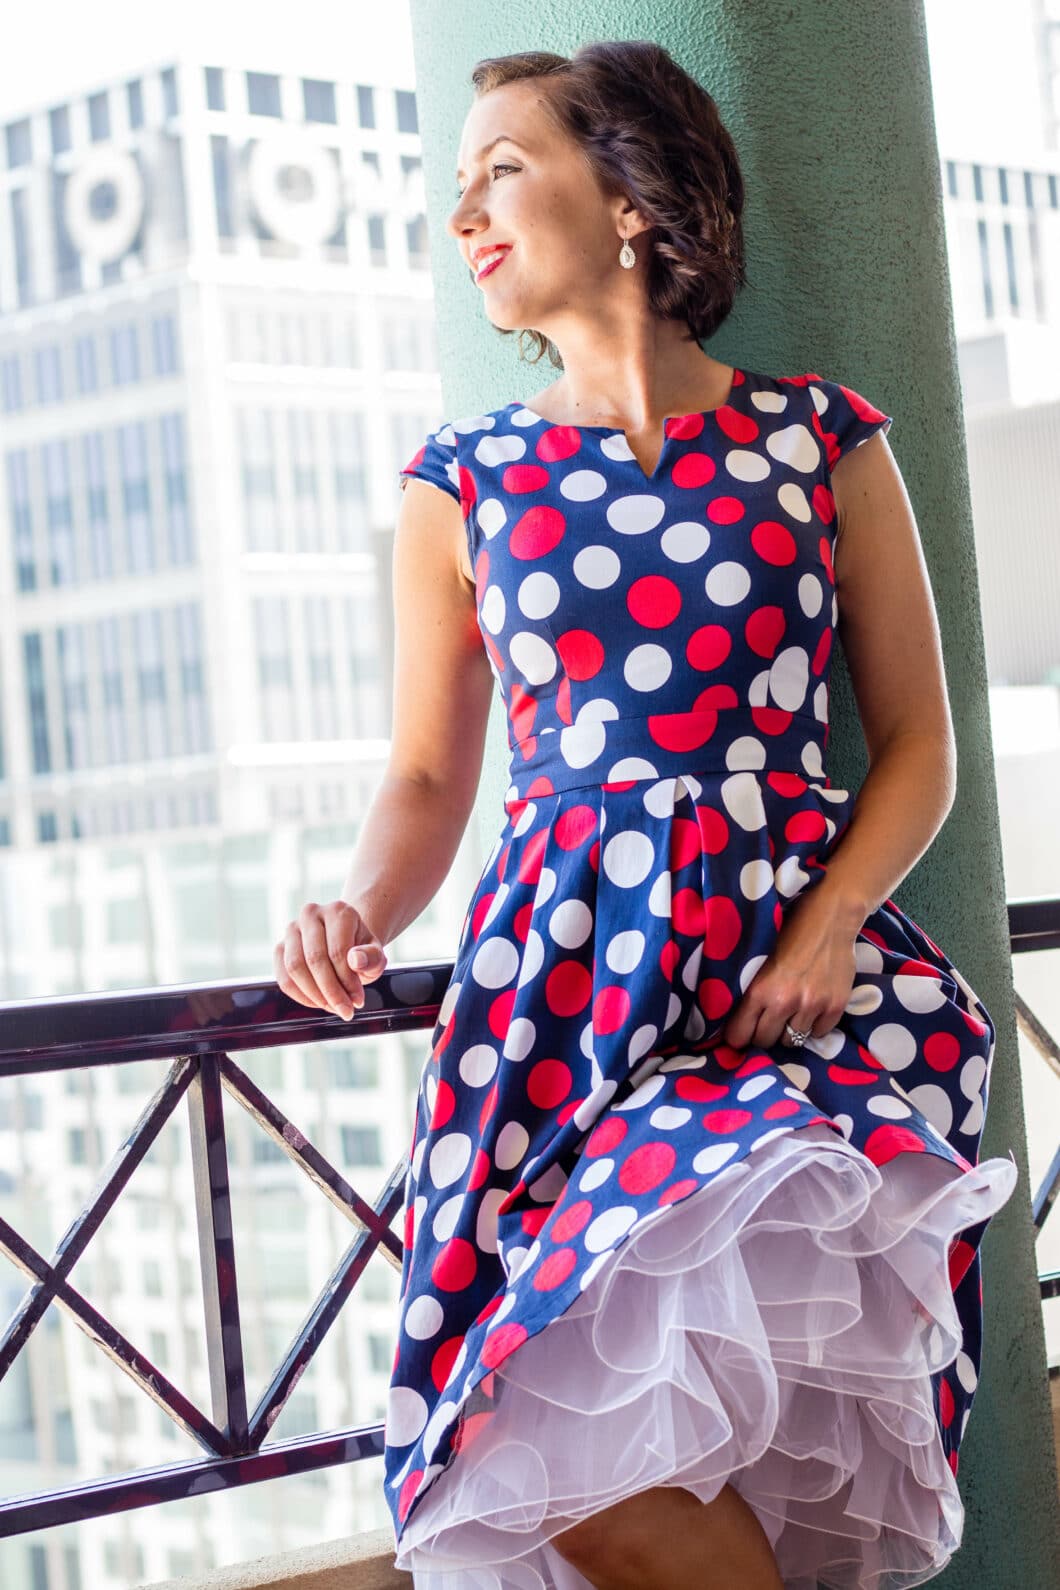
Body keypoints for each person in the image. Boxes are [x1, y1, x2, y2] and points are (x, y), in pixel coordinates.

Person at [274, 38, 1018, 1590]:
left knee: (696, 1400)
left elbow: (920, 742)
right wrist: (358, 907)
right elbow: (425, 775)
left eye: (502, 168)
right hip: (560, 999)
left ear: (627, 193)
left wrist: (824, 931)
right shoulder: (463, 482)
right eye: (455, 185)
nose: (464, 214)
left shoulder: (820, 435)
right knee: (516, 1435)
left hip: (781, 1002)